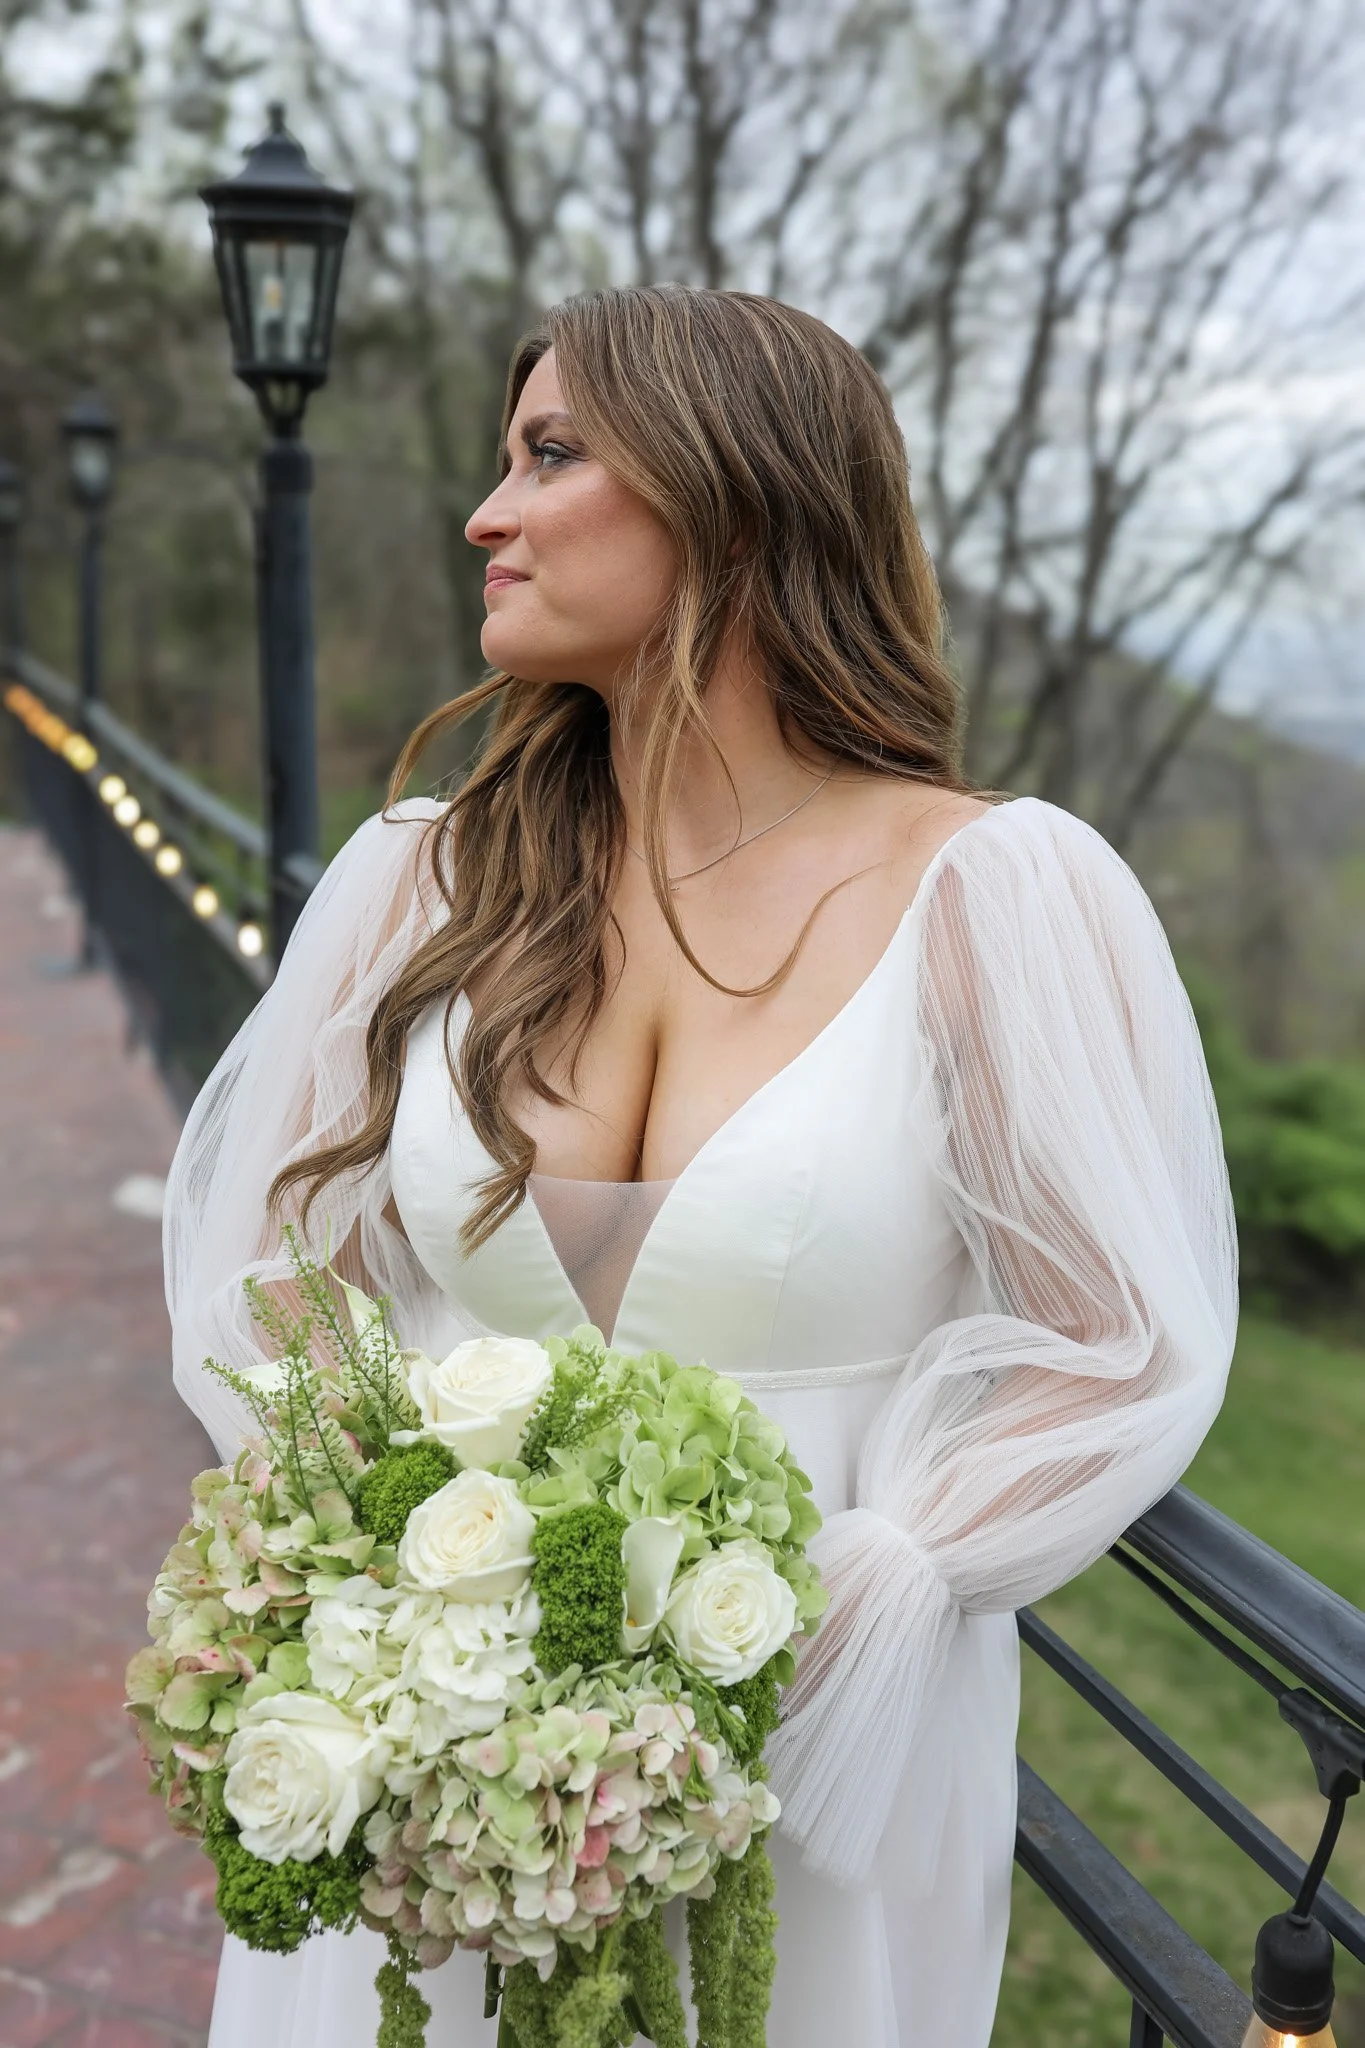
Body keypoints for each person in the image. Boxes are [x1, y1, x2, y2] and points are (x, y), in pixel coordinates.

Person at [166, 284, 1238, 2048]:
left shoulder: (1001, 898)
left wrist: (869, 1598)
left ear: (734, 491)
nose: (485, 514)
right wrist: (376, 1573)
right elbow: (284, 1269)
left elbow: (1121, 1342)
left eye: (550, 454)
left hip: (807, 1784)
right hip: (427, 1765)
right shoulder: (424, 885)